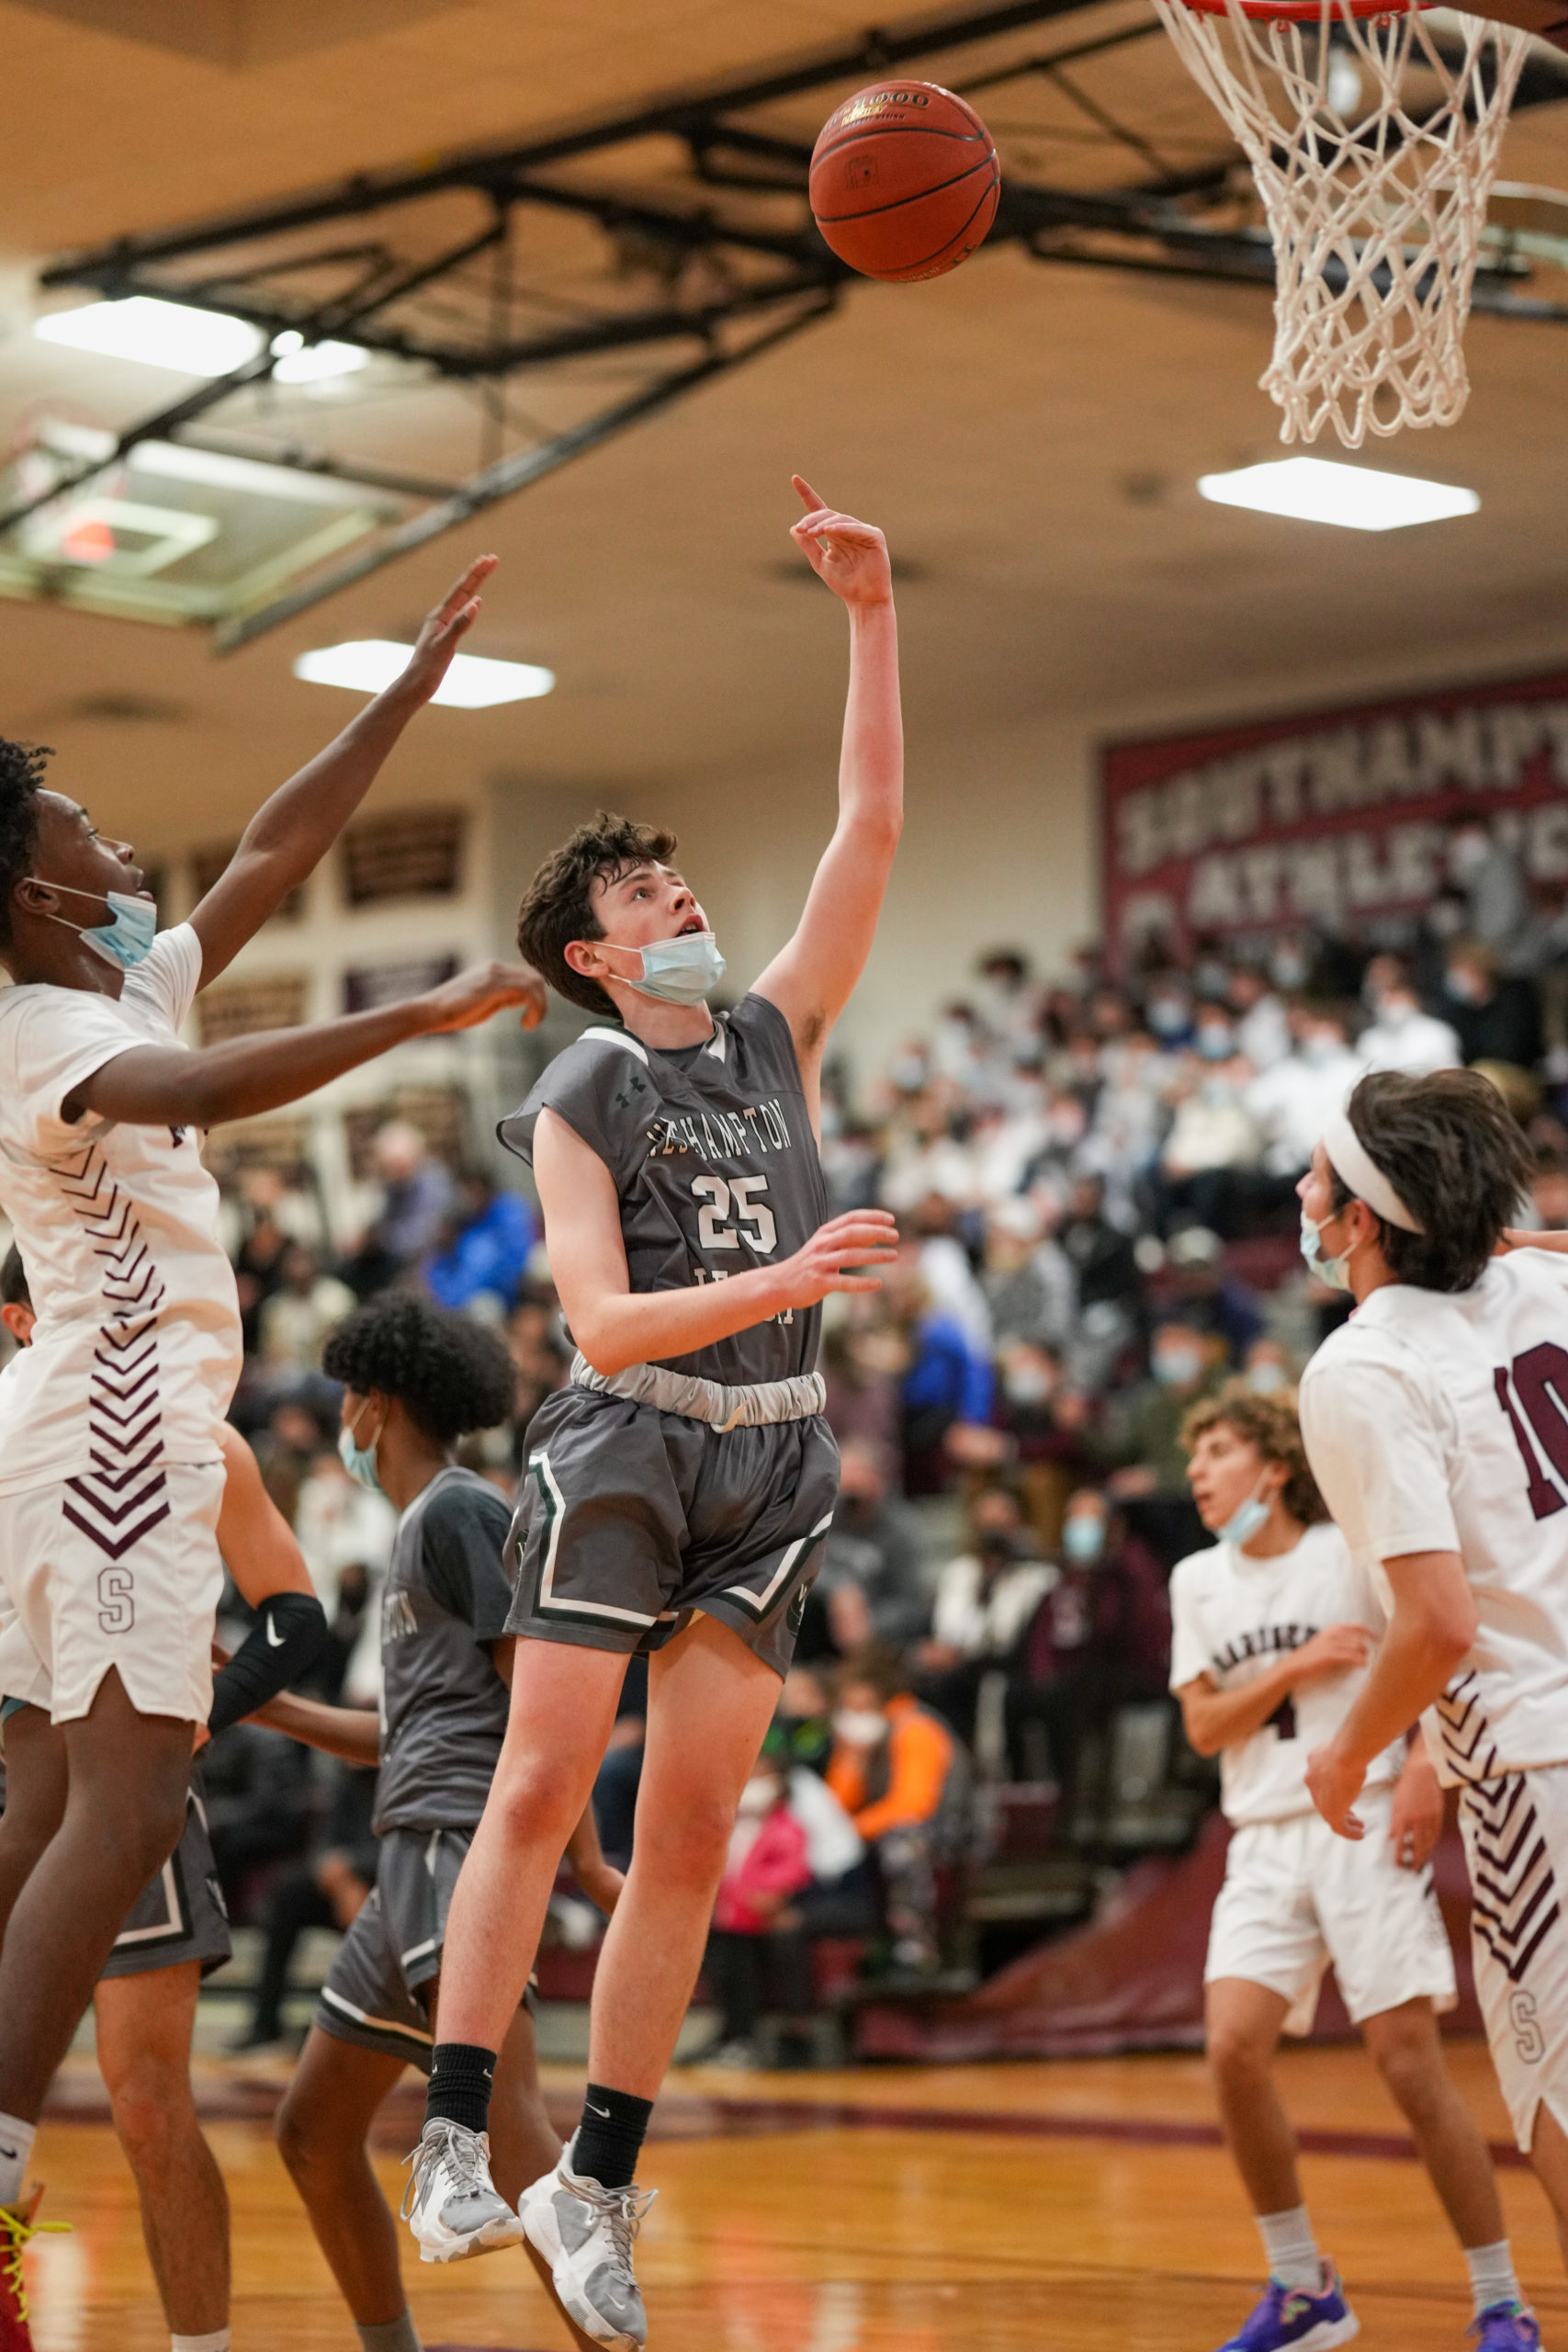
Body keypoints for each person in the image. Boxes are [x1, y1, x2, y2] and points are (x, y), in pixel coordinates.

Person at [0, 555, 546, 2314]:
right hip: (115, 1424)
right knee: (129, 1792)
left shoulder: (106, 986)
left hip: (79, 1427)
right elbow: (210, 1091)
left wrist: (412, 681)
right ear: (27, 885)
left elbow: (271, 854)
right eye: (88, 833)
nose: (125, 852)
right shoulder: (30, 1032)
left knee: (34, 1806)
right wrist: (415, 1019)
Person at [399, 476, 903, 2350]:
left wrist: (867, 610)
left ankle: (592, 2181)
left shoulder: (772, 1030)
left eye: (675, 874)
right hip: (627, 1433)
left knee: (687, 1835)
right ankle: (452, 2133)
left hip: (772, 1448)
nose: (677, 894)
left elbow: (868, 819)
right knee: (541, 1784)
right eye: (639, 890)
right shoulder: (586, 1079)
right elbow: (598, 1320)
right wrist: (783, 1277)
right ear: (595, 953)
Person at [246, 1293, 621, 2352]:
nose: (340, 1424)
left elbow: (547, 1705)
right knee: (314, 2133)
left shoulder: (461, 1511)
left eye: (347, 1402)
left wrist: (587, 1861)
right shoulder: (426, 1524)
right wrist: (255, 1701)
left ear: (376, 1404)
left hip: (459, 1847)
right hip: (411, 1845)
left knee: (520, 2152)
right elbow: (400, 1730)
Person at [0, 1246, 327, 2352]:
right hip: (18, 1772)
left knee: (145, 2101)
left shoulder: (195, 1431)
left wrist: (212, 1705)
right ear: (24, 1317)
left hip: (125, 1792)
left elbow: (294, 1611)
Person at [1171, 1374, 1533, 2352]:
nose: (1198, 1472)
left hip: (1363, 1818)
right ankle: (1303, 2287)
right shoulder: (1195, 1581)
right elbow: (1203, 1725)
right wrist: (1288, 1669)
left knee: (1407, 2063)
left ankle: (1502, 2297)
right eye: (1193, 1458)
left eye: (1216, 1452)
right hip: (1262, 1835)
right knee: (1231, 2048)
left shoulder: (1348, 1555)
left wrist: (1425, 1761)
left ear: (1274, 1467)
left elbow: (1441, 1653)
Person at [1295, 1069, 1568, 2310]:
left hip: (1532, 1760)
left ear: (1359, 1217)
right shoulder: (1541, 1281)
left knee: (1554, 2097)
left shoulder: (1358, 1368)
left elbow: (1438, 1623)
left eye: (1316, 1178)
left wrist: (1348, 1749)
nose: (1297, 1196)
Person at [825, 1649, 960, 1974]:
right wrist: (853, 1760)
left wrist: (853, 1831)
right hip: (881, 1832)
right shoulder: (862, 1738)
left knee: (903, 1840)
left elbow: (914, 1806)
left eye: (860, 1704)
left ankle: (916, 1951)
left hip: (947, 1831)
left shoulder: (915, 1729)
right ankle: (872, 1945)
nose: (852, 1713)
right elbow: (834, 1807)